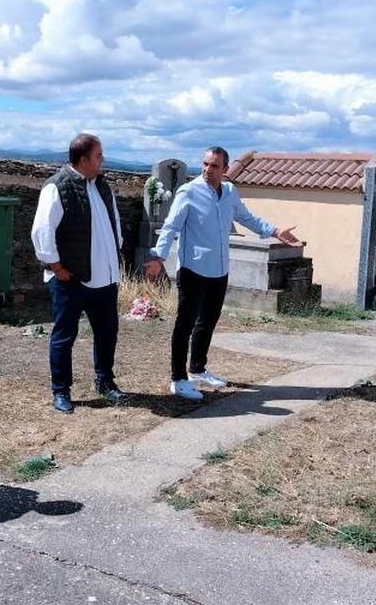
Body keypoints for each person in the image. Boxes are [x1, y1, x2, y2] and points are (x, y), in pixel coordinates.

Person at [146, 147, 301, 400]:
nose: (208, 170)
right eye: (205, 164)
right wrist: (158, 258)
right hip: (192, 269)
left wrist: (275, 230)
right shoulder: (188, 192)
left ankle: (197, 368)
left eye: (215, 166)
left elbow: (247, 218)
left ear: (225, 170)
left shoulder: (229, 193)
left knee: (208, 321)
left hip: (219, 270)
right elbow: (171, 226)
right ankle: (178, 379)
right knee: (184, 324)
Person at [31, 133, 126, 413]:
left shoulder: (102, 186)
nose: (103, 160)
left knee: (107, 333)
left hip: (105, 278)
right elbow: (42, 231)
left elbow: (114, 221)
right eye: (98, 155)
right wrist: (56, 266)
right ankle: (61, 391)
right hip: (71, 279)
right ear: (83, 159)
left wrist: (115, 252)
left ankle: (105, 381)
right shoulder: (57, 187)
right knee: (64, 336)